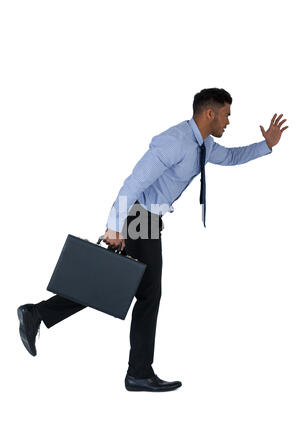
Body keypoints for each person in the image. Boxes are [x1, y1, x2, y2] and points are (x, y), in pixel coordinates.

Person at [17, 88, 288, 392]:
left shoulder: (205, 145)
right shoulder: (175, 142)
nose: (228, 121)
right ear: (209, 113)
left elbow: (232, 156)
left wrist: (266, 145)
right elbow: (134, 182)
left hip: (146, 219)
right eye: (226, 114)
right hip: (138, 217)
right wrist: (113, 226)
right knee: (147, 294)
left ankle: (38, 313)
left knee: (114, 284)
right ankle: (138, 372)